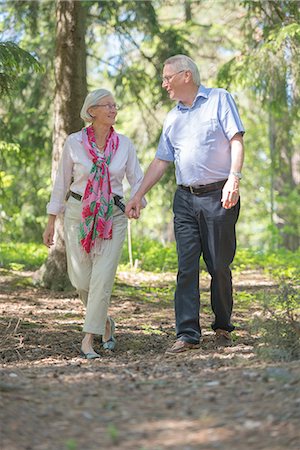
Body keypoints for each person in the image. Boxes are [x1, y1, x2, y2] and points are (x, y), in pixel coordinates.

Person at [125, 55, 245, 355]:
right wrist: (137, 195)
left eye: (168, 77)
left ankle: (222, 325)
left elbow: (236, 141)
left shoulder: (219, 99)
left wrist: (234, 178)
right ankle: (188, 333)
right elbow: (161, 161)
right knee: (186, 267)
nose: (164, 83)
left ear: (186, 75)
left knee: (218, 264)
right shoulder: (173, 118)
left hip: (219, 195)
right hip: (184, 199)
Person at [43, 88, 145, 359]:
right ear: (92, 111)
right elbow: (61, 182)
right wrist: (52, 219)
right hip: (78, 213)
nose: (113, 109)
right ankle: (106, 322)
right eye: (107, 105)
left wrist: (137, 202)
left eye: (115, 105)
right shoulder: (74, 143)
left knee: (102, 278)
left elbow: (137, 179)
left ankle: (88, 338)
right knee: (80, 279)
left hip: (113, 215)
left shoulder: (124, 144)